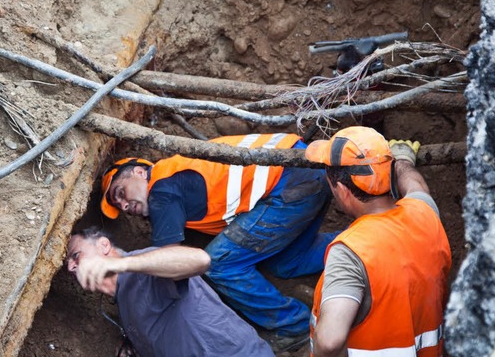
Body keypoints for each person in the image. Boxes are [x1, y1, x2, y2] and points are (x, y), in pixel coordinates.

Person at [100, 133, 339, 352]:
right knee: (287, 262)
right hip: (305, 165)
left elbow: (170, 260)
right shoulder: (176, 170)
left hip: (286, 184)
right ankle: (357, 249)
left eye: (120, 193)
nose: (123, 206)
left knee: (219, 264)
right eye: (119, 208)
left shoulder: (161, 192)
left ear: (140, 172)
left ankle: (293, 325)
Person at [304, 126, 452, 357]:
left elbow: (330, 341)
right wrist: (402, 160)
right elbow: (416, 186)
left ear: (342, 190)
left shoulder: (351, 252)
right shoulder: (425, 213)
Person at [66, 227, 274, 357]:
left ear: (103, 245)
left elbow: (200, 260)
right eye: (67, 263)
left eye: (76, 255)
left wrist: (123, 264)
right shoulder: (123, 303)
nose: (71, 267)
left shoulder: (145, 263)